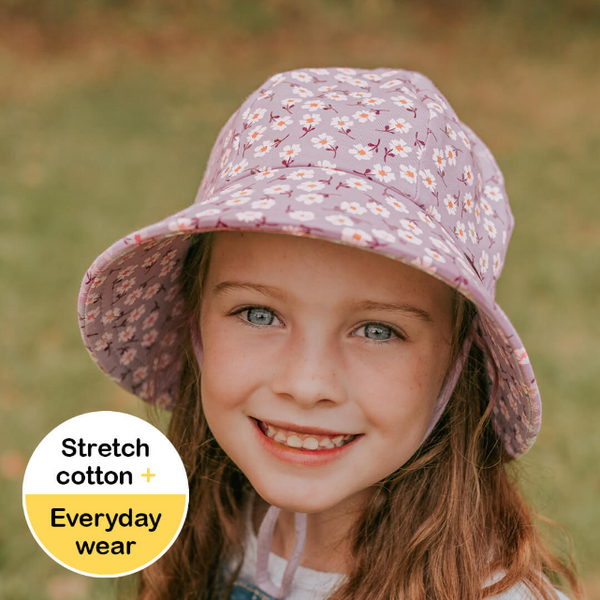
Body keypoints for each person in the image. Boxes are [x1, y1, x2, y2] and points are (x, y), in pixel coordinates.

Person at [78, 67, 584, 600]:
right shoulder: (194, 524)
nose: (306, 383)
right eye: (258, 314)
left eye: (377, 330)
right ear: (196, 321)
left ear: (457, 364)